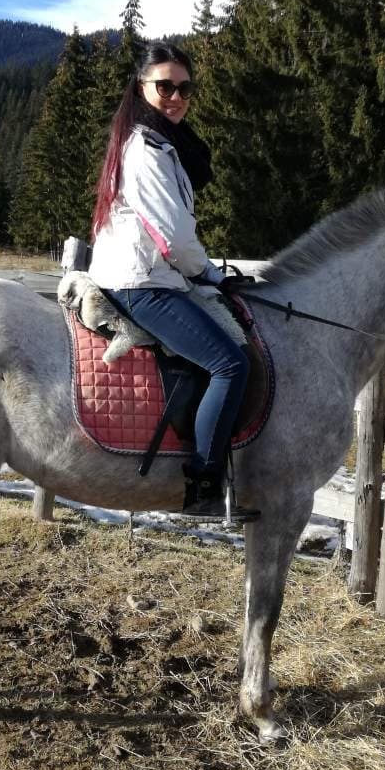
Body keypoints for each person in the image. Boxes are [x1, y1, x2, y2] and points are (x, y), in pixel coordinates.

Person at [89, 42, 258, 522]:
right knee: (230, 365)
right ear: (142, 88)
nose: (176, 96)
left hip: (149, 274)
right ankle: (203, 487)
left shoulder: (163, 144)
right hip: (142, 281)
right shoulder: (146, 148)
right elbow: (176, 235)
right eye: (164, 86)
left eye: (184, 88)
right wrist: (208, 274)